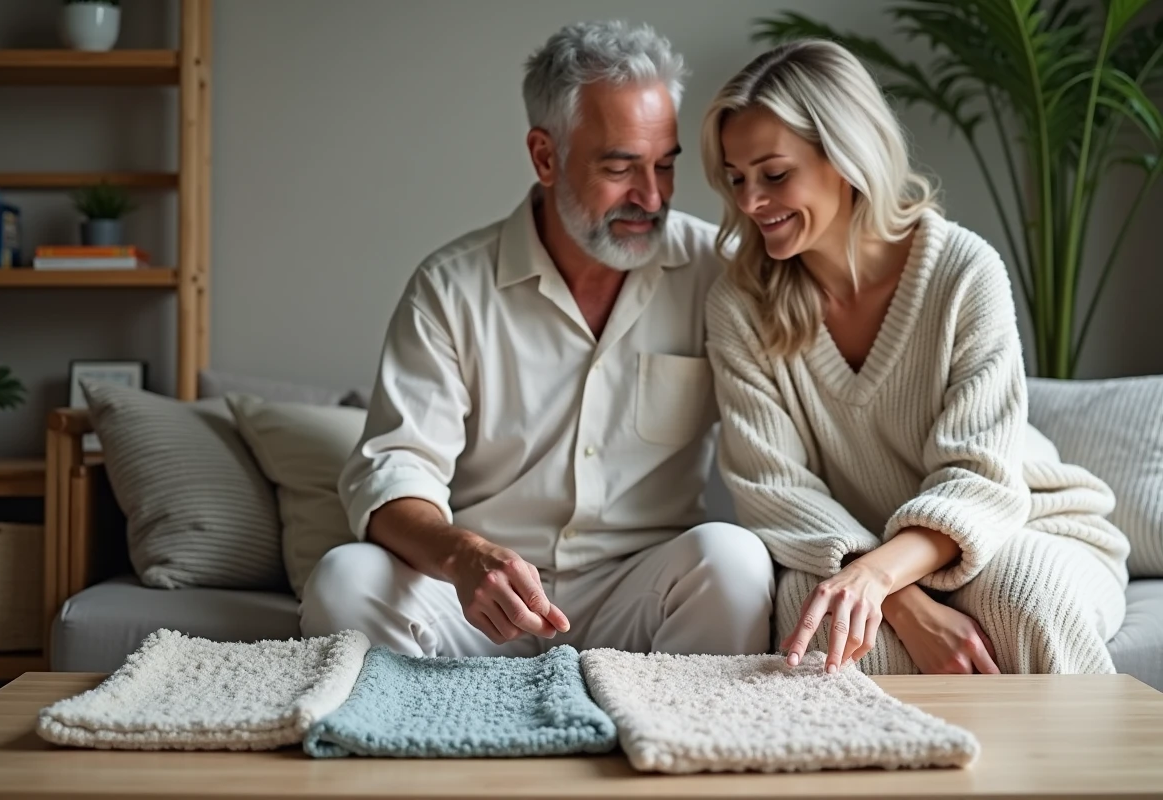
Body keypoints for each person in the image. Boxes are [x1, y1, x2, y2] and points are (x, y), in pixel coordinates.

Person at [300, 20, 776, 658]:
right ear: (545, 156)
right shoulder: (451, 288)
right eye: (620, 167)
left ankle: (674, 740)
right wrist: (467, 557)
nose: (652, 195)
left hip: (638, 592)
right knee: (343, 580)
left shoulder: (717, 272)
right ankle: (417, 740)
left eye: (665, 165)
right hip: (477, 598)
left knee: (734, 558)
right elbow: (394, 472)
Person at [699, 38, 1130, 675]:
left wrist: (877, 577)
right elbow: (774, 488)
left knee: (1023, 598)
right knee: (820, 630)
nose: (748, 203)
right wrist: (890, 592)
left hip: (1018, 523)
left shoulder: (963, 271)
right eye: (736, 178)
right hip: (847, 551)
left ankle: (1070, 776)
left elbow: (979, 473)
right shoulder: (740, 302)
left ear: (845, 157)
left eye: (774, 174)